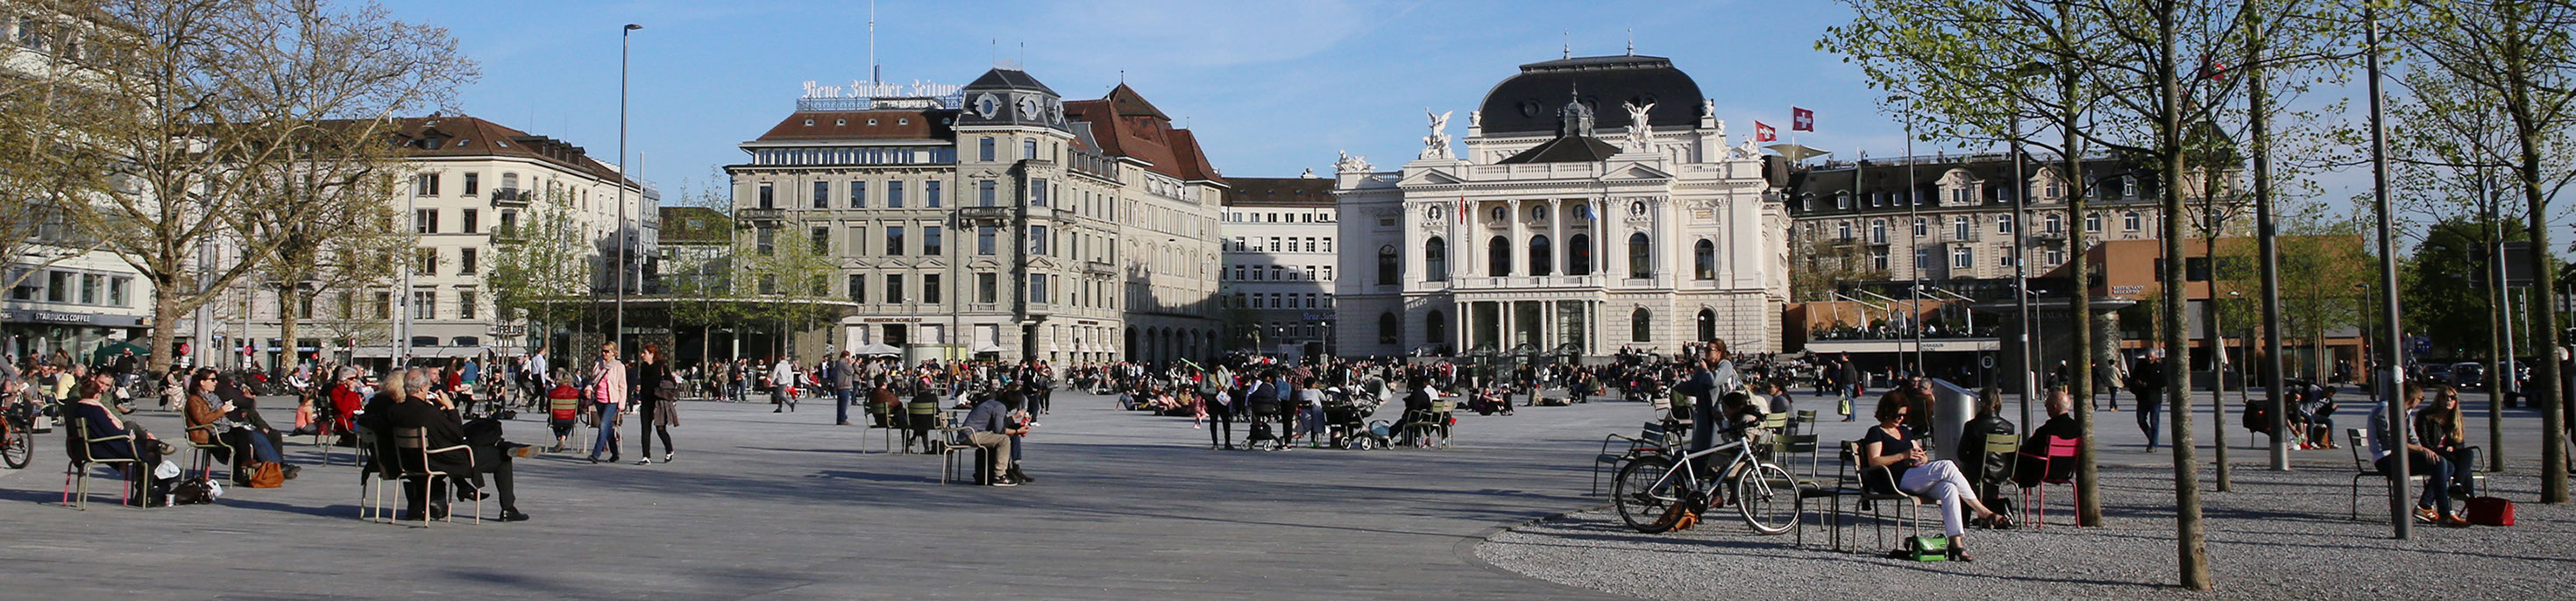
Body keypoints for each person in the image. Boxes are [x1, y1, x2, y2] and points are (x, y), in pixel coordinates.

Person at [1859, 390, 2013, 561]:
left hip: (1914, 474)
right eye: (1897, 415)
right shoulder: (1876, 432)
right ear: (1887, 411)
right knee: (1947, 465)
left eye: (1903, 415)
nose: (1900, 419)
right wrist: (1903, 455)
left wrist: (1922, 458)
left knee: (1949, 487)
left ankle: (1956, 543)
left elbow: (1920, 454)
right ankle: (1983, 512)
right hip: (1895, 478)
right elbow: (1874, 461)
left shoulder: (1904, 431)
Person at [367, 367, 530, 522]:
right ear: (423, 388)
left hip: (411, 462)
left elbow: (370, 421)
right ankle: (508, 508)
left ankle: (503, 445)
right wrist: (450, 407)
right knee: (502, 458)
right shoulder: (429, 412)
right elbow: (457, 434)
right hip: (441, 460)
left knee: (484, 442)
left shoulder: (394, 411)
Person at [2370, 382, 2469, 527]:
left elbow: (2413, 438)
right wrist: (2421, 450)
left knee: (2448, 466)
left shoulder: (2405, 412)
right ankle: (2445, 513)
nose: (2421, 402)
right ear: (2413, 399)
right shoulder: (2385, 409)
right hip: (2386, 458)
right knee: (2440, 463)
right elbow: (2390, 442)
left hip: (2402, 455)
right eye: (2421, 399)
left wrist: (2424, 451)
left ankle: (2425, 505)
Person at [1950, 387, 2019, 512]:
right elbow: (2010, 455)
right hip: (2002, 472)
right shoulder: (2009, 427)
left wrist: (1975, 458)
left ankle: (1963, 517)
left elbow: (1962, 454)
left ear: (1981, 402)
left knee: (1960, 476)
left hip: (1979, 472)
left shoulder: (1972, 426)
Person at [2417, 385, 2479, 499]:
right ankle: (2469, 500)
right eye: (2444, 397)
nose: (2449, 400)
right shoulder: (2426, 416)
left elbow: (2460, 443)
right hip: (2431, 452)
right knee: (2462, 469)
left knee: (2468, 454)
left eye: (2452, 398)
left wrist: (2453, 448)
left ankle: (2457, 485)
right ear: (2438, 399)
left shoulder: (2455, 417)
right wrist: (2443, 450)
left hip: (2449, 454)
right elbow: (2423, 442)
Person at [962, 386, 1026, 486]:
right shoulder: (1000, 407)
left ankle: (1008, 470)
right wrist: (1017, 431)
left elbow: (1000, 426)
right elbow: (999, 430)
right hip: (971, 434)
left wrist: (1015, 430)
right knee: (1004, 440)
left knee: (1007, 437)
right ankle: (1000, 475)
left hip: (968, 433)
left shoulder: (993, 403)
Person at [632, 343, 676, 464]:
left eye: (644, 353)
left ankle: (669, 450)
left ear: (651, 354)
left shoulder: (661, 367)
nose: (642, 355)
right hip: (646, 402)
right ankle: (646, 456)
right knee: (645, 430)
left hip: (659, 403)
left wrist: (662, 388)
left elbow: (672, 383)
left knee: (660, 429)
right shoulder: (643, 367)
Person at [587, 343, 627, 463]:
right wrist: (588, 388)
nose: (604, 353)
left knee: (603, 425)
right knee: (608, 428)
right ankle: (615, 454)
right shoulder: (598, 363)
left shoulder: (619, 366)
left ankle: (596, 454)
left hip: (612, 400)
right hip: (599, 399)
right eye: (603, 351)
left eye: (607, 351)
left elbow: (623, 385)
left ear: (613, 352)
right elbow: (592, 380)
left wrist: (622, 404)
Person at [2129, 351, 2166, 452]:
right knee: (2141, 420)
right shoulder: (2140, 366)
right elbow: (2133, 378)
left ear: (2155, 357)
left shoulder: (2160, 367)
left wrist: (2148, 384)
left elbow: (2163, 381)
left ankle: (2153, 444)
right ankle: (2152, 438)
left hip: (2155, 398)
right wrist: (2136, 385)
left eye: (2151, 357)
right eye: (2148, 357)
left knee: (2154, 421)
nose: (2149, 359)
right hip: (2142, 397)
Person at [827, 351, 855, 426]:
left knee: (840, 404)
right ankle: (843, 419)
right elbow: (851, 371)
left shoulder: (838, 363)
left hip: (839, 385)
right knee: (844, 404)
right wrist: (849, 364)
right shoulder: (843, 363)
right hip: (844, 385)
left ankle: (839, 419)